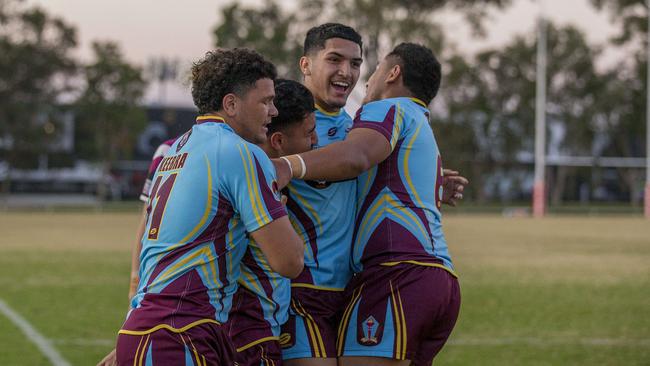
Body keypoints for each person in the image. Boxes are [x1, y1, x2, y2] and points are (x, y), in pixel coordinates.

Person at [114, 48, 304, 365]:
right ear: (231, 104)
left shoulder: (174, 152)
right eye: (265, 101)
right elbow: (289, 261)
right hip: (181, 332)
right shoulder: (242, 153)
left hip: (142, 329)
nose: (273, 111)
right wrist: (277, 209)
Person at [276, 43, 461, 365]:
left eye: (370, 68)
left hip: (397, 272)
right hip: (439, 279)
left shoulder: (385, 109)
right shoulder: (419, 122)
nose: (364, 79)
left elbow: (355, 157)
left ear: (393, 73)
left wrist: (286, 166)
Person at [279, 23, 363, 366]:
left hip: (354, 292)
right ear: (306, 65)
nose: (346, 71)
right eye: (335, 59)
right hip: (299, 293)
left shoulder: (360, 132)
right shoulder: (278, 126)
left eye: (356, 63)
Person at [226, 79, 318, 366]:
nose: (316, 142)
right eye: (310, 133)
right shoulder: (255, 179)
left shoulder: (241, 168)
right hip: (249, 331)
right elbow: (290, 262)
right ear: (278, 141)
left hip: (256, 328)